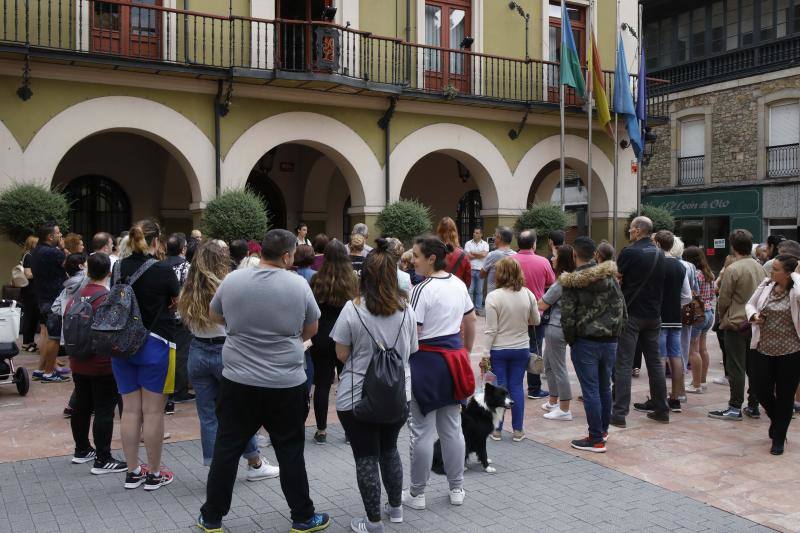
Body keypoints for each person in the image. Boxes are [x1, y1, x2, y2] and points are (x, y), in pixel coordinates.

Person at [198, 229, 329, 533]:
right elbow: (311, 328)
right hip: (285, 380)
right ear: (285, 256)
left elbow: (214, 314)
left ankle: (212, 516)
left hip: (238, 379)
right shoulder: (297, 285)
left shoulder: (233, 280)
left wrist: (240, 327)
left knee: (227, 446)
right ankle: (302, 516)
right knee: (290, 448)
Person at [331, 239, 418, 532]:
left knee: (366, 456)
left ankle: (372, 522)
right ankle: (395, 510)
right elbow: (412, 350)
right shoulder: (406, 310)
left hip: (357, 397)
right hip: (397, 394)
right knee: (389, 450)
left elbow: (341, 354)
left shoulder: (352, 309)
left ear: (363, 276)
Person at [178, 240, 279, 479]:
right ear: (221, 259)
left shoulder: (188, 287)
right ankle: (254, 463)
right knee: (240, 411)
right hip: (226, 351)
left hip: (198, 350)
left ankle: (218, 469)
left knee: (208, 414)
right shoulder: (228, 285)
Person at [404, 236, 475, 510]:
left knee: (421, 431)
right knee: (452, 429)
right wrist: (465, 350)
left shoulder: (423, 288)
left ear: (431, 258)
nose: (414, 261)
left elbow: (413, 329)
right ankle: (457, 488)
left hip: (427, 362)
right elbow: (470, 319)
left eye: (417, 256)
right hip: (453, 360)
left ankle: (417, 494)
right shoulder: (458, 284)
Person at [112, 220, 179, 491]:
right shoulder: (164, 270)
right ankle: (153, 473)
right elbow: (177, 301)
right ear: (155, 241)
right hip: (156, 342)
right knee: (153, 413)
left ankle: (132, 471)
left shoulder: (117, 267)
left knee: (129, 411)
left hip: (121, 344)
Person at [560, 237, 626, 453]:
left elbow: (568, 316)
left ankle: (595, 438)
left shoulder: (572, 281)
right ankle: (602, 431)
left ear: (574, 255)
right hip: (609, 341)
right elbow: (622, 308)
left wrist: (572, 339)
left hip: (586, 341)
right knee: (604, 386)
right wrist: (616, 333)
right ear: (595, 254)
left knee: (591, 390)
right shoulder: (610, 276)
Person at [65, 253, 127, 474]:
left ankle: (82, 449)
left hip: (77, 360)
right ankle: (103, 458)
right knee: (104, 410)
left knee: (81, 405)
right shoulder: (106, 298)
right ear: (109, 273)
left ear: (88, 271)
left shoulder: (76, 296)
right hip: (102, 364)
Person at [611, 216, 669, 427]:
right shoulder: (661, 254)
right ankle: (662, 409)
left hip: (632, 313)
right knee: (654, 362)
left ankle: (619, 414)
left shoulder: (630, 252)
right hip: (654, 315)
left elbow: (616, 276)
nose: (629, 233)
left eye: (630, 230)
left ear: (637, 231)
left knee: (624, 363)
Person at [709, 229, 766, 422]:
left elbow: (723, 299)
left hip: (736, 322)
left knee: (736, 366)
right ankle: (753, 405)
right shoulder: (761, 267)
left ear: (733, 246)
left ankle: (734, 406)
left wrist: (723, 317)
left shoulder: (733, 269)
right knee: (753, 366)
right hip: (755, 322)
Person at [747, 256, 800, 455]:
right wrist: (754, 316)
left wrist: (796, 275)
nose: (771, 272)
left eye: (776, 269)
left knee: (786, 395)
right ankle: (778, 420)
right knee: (760, 389)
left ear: (788, 273)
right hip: (763, 348)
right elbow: (750, 304)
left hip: (791, 351)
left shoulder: (795, 290)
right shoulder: (767, 284)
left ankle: (778, 437)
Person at [309, 240, 358, 445]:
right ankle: (349, 431)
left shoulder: (316, 279)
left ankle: (321, 430)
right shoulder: (353, 280)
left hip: (321, 336)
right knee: (350, 383)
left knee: (321, 384)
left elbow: (311, 310)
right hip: (346, 336)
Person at [485, 258, 540, 441]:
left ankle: (497, 430)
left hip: (499, 348)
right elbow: (536, 320)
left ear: (499, 274)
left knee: (500, 387)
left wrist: (485, 353)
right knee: (516, 387)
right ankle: (518, 430)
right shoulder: (528, 294)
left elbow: (491, 329)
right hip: (521, 347)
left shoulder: (494, 296)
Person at [647, 231, 691, 414]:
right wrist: (674, 305)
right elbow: (687, 296)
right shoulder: (681, 266)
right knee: (676, 355)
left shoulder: (656, 264)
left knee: (659, 357)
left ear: (657, 243)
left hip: (658, 316)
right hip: (675, 317)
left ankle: (659, 399)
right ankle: (676, 397)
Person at [513, 229, 555, 400]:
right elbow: (551, 283)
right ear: (534, 244)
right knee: (534, 348)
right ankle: (534, 388)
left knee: (513, 347)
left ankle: (513, 386)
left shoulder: (510, 261)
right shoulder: (543, 262)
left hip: (512, 312)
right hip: (536, 313)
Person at [539, 245, 576, 420]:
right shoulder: (570, 278)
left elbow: (543, 303)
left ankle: (564, 408)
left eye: (554, 256)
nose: (551, 259)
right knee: (548, 364)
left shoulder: (563, 280)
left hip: (556, 326)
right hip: (558, 326)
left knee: (558, 367)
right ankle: (553, 401)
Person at [29, 222, 69, 383]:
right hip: (54, 299)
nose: (61, 236)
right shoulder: (53, 252)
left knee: (46, 335)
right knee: (54, 337)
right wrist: (63, 248)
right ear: (50, 236)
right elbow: (73, 262)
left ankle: (40, 369)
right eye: (58, 233)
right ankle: (48, 372)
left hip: (42, 297)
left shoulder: (36, 251)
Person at [164, 233, 193, 407]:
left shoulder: (159, 265)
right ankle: (179, 391)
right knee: (182, 354)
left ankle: (167, 389)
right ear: (183, 249)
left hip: (164, 317)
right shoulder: (186, 267)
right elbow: (190, 292)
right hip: (181, 316)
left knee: (167, 353)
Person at [684, 246, 716, 394]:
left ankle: (695, 384)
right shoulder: (708, 273)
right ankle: (702, 381)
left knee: (693, 350)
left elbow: (691, 293)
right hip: (709, 312)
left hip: (697, 314)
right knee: (702, 348)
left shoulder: (694, 273)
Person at [437, 217, 471, 288]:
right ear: (455, 232)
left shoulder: (433, 251)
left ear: (439, 231)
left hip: (437, 290)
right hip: (457, 290)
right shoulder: (462, 254)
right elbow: (468, 279)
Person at [481, 226, 516, 294]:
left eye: (495, 235)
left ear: (499, 237)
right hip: (511, 294)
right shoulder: (516, 255)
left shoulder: (492, 255)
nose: (493, 237)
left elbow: (482, 274)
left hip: (493, 295)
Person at [20, 236, 39, 352]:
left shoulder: (31, 256)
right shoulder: (29, 256)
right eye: (37, 243)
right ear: (32, 244)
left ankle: (30, 341)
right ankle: (26, 342)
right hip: (30, 290)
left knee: (33, 315)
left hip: (32, 290)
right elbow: (28, 274)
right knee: (30, 315)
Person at [464, 228, 489, 315]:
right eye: (474, 232)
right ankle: (471, 309)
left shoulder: (485, 244)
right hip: (470, 269)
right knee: (470, 290)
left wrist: (472, 253)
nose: (475, 234)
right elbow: (467, 256)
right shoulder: (468, 243)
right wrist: (479, 254)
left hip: (480, 270)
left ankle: (478, 309)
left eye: (477, 233)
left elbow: (484, 255)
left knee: (479, 291)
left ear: (481, 234)